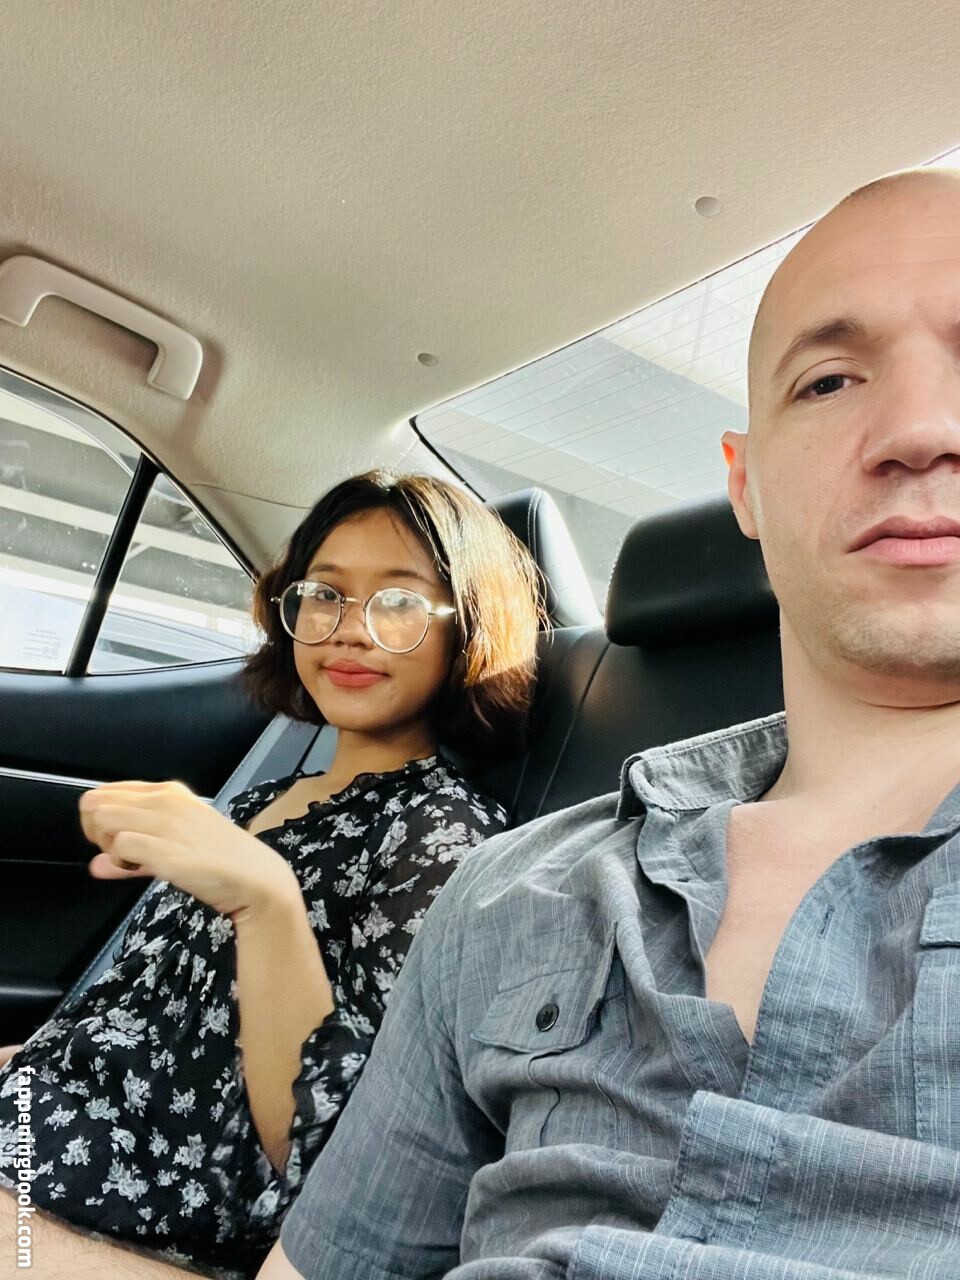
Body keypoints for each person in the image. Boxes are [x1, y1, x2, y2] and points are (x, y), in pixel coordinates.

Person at [239, 166, 960, 1279]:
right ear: (745, 484)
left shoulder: (438, 837)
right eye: (827, 381)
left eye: (398, 602)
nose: (919, 427)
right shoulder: (508, 887)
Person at [0, 469, 541, 1277]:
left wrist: (265, 900)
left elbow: (338, 1160)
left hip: (148, 1211)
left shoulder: (444, 837)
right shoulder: (266, 797)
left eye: (398, 601)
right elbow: (132, 1016)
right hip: (50, 1127)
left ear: (467, 628)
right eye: (325, 594)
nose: (349, 630)